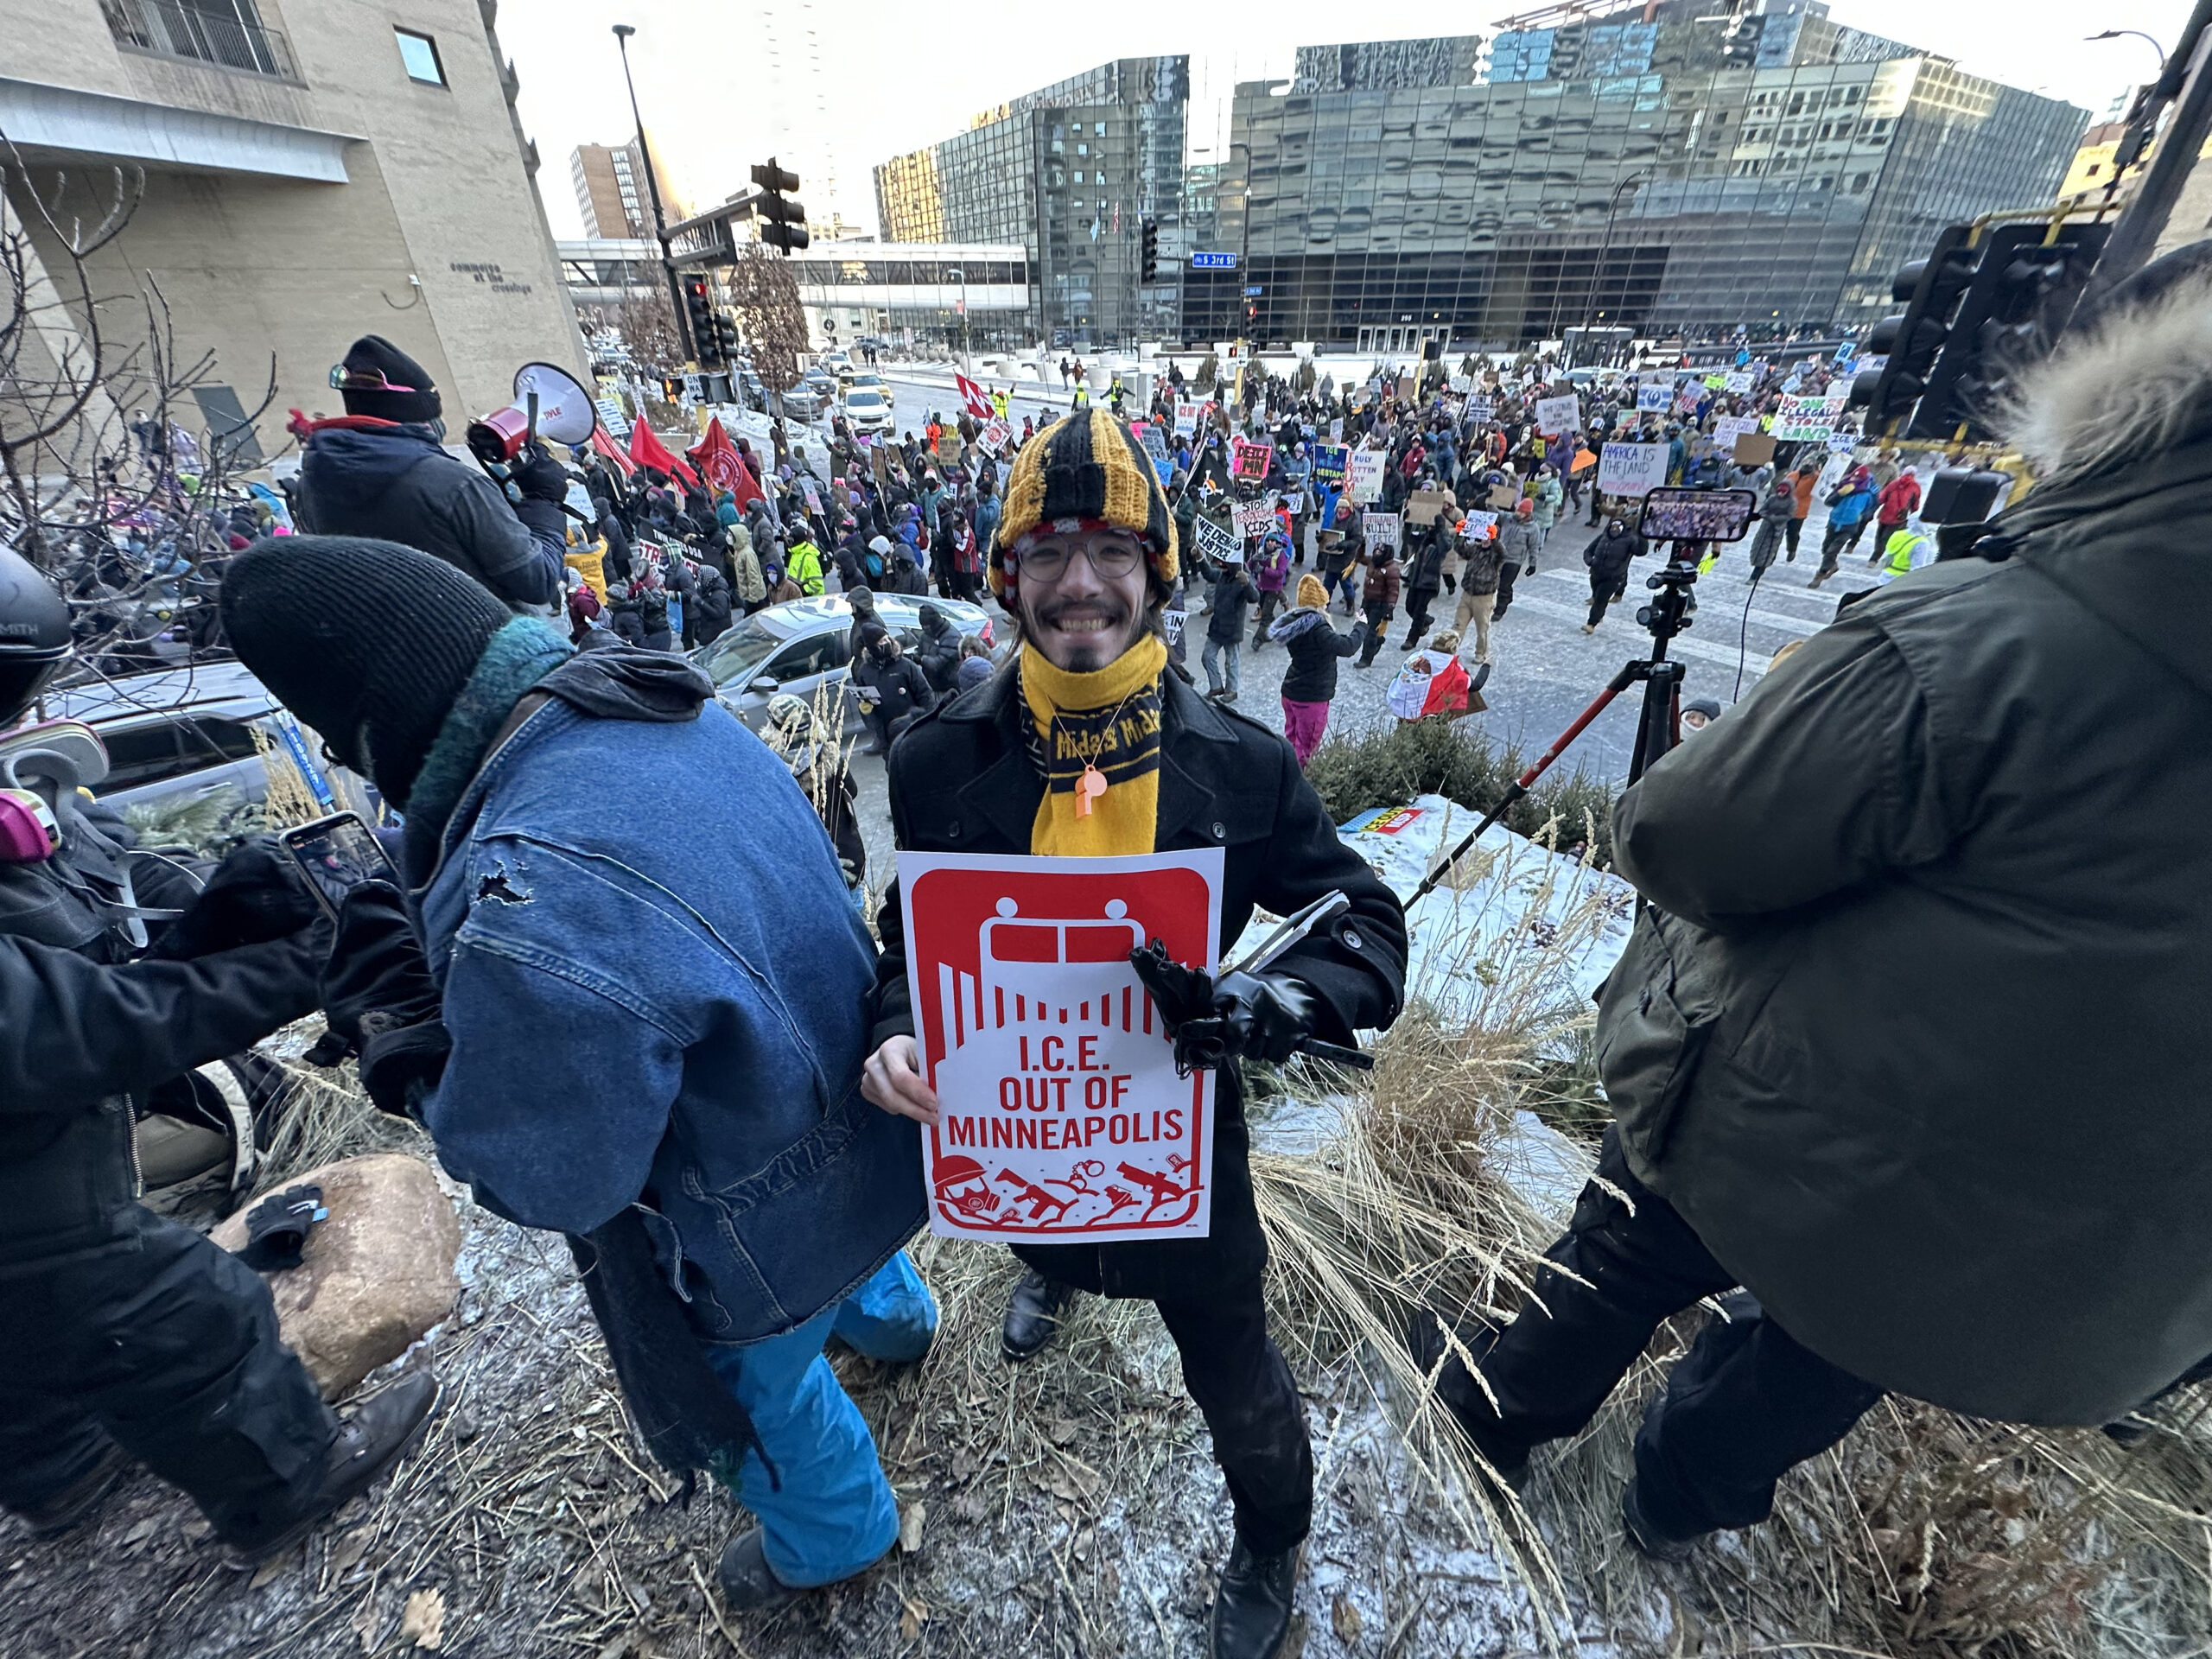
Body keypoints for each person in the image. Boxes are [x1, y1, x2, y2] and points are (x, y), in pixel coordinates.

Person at [1410, 241, 2212, 1566]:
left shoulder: (1990, 643)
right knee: (1845, 1340)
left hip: (1796, 1125)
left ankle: (1497, 1419)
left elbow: (1679, 839)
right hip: (2056, 1251)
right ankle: (1685, 1493)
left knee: (1627, 1259)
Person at [220, 537, 936, 1611]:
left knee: (763, 1389)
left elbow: (554, 1177)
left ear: (369, 731)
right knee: (845, 1258)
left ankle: (837, 1534)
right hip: (864, 1123)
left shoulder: (531, 890)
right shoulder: (663, 706)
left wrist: (407, 1037)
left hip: (746, 1222)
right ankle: (899, 1323)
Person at [860, 411, 1408, 1659]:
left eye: (1111, 548)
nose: (1079, 583)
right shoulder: (945, 755)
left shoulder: (1239, 767)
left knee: (1236, 1379)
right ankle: (1051, 1262)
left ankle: (1272, 1538)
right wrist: (897, 1028)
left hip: (1181, 1156)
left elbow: (1366, 924)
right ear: (1007, 578)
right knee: (1044, 1218)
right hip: (1023, 1140)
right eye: (1046, 551)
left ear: (1158, 571)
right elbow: (911, 941)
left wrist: (1277, 1004)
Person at [0, 547, 437, 1557]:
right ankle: (287, 1482)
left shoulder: (28, 811)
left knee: (30, 1337)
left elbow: (89, 938)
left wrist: (211, 915)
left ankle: (60, 1470)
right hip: (30, 1177)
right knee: (183, 1307)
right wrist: (297, 968)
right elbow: (85, 1028)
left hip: (36, 1137)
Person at [294, 335, 563, 609]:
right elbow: (538, 581)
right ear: (421, 416)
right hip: (479, 638)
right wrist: (544, 502)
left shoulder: (311, 480)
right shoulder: (456, 485)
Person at [762, 693, 865, 890]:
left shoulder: (772, 769)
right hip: (848, 858)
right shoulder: (831, 755)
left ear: (773, 729)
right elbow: (853, 790)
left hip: (806, 873)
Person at [1271, 573, 1361, 764]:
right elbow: (1346, 647)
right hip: (1311, 698)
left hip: (1290, 692)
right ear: (1321, 604)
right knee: (1306, 752)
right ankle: (1297, 787)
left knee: (1293, 741)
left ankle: (1286, 773)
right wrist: (1361, 627)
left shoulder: (1295, 624)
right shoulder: (1318, 628)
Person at [852, 625, 938, 753]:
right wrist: (867, 712)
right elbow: (866, 704)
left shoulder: (906, 666)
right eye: (881, 641)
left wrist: (928, 722)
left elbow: (926, 695)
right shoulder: (865, 672)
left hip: (914, 729)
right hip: (888, 737)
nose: (886, 643)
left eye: (887, 639)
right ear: (871, 646)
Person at [1203, 554, 1255, 702]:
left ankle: (1232, 691)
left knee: (1231, 661)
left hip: (1232, 628)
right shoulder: (1222, 575)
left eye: (1224, 562)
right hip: (1217, 626)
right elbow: (1209, 574)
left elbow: (1254, 597)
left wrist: (1247, 584)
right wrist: (1201, 559)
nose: (1220, 564)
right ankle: (1216, 687)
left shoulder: (1242, 578)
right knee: (1207, 657)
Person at [1580, 518, 1645, 633]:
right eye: (1613, 527)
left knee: (1601, 599)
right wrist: (1590, 561)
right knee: (1596, 595)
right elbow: (1588, 551)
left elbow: (1640, 551)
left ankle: (1591, 624)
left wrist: (1643, 538)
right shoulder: (1603, 537)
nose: (1614, 530)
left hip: (1613, 577)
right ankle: (1599, 615)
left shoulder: (1630, 540)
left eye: (1617, 528)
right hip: (1596, 573)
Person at [1356, 544, 1400, 668]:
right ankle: (1378, 640)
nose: (1377, 553)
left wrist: (1390, 609)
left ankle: (1366, 659)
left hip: (1380, 604)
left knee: (1370, 632)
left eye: (1380, 551)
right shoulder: (1372, 561)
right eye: (1376, 550)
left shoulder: (1392, 569)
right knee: (1361, 625)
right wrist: (1362, 545)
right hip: (1367, 600)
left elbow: (1393, 590)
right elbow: (1360, 558)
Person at [1745, 474, 1796, 578]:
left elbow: (1789, 515)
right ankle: (1756, 564)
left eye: (1783, 492)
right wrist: (1765, 516)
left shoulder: (1792, 502)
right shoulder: (1772, 498)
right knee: (1758, 547)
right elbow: (1763, 509)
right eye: (1779, 491)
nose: (1781, 494)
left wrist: (1774, 518)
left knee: (1768, 550)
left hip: (1777, 528)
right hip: (1765, 526)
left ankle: (1757, 572)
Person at [1248, 531, 1291, 648]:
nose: (1270, 543)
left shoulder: (1280, 555)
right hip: (1261, 587)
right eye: (1268, 541)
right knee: (1266, 611)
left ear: (1276, 543)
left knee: (1265, 615)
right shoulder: (1260, 551)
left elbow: (1281, 573)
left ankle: (1258, 639)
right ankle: (1272, 630)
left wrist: (1264, 569)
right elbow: (1248, 567)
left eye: (1272, 541)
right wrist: (1253, 560)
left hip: (1274, 589)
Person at [1870, 466, 1922, 563]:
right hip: (1900, 517)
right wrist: (1914, 516)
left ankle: (1875, 555)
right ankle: (1875, 558)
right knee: (1887, 537)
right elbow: (1915, 504)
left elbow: (1882, 498)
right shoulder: (1916, 487)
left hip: (1885, 514)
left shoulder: (1893, 484)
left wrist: (1874, 508)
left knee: (1879, 536)